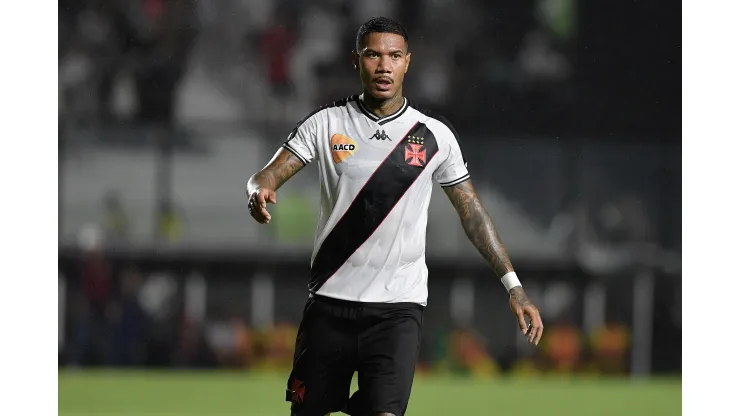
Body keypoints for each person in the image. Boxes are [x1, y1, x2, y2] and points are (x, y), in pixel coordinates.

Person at [246, 17, 544, 416]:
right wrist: (259, 190)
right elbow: (268, 173)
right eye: (373, 55)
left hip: (396, 311)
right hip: (330, 305)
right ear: (356, 61)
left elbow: (472, 213)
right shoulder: (326, 123)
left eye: (394, 56)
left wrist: (514, 286)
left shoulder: (432, 135)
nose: (384, 66)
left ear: (408, 62)